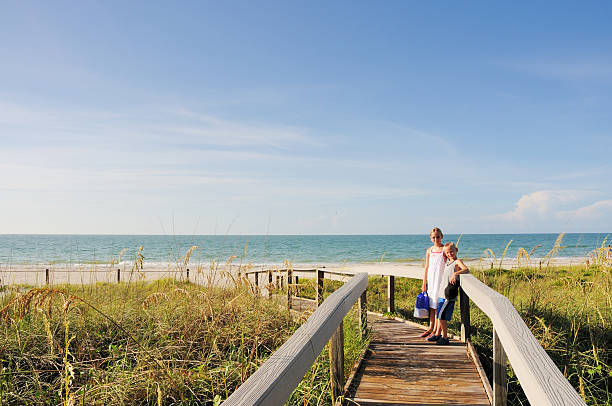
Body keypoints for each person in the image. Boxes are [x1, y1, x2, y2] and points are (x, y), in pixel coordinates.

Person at [427, 242, 469, 345]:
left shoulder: (457, 262)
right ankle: (438, 335)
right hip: (441, 293)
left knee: (442, 316)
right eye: (447, 252)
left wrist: (456, 273)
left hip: (449, 295)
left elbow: (466, 269)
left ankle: (445, 338)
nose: (450, 254)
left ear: (456, 250)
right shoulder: (447, 263)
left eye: (451, 251)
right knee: (439, 315)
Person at [420, 227, 446, 338]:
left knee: (437, 306)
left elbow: (452, 261)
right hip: (431, 280)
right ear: (431, 238)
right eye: (434, 237)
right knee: (431, 306)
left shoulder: (445, 249)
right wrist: (423, 283)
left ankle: (437, 331)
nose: (436, 239)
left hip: (440, 281)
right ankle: (431, 328)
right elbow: (427, 267)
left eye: (438, 237)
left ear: (442, 237)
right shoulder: (429, 250)